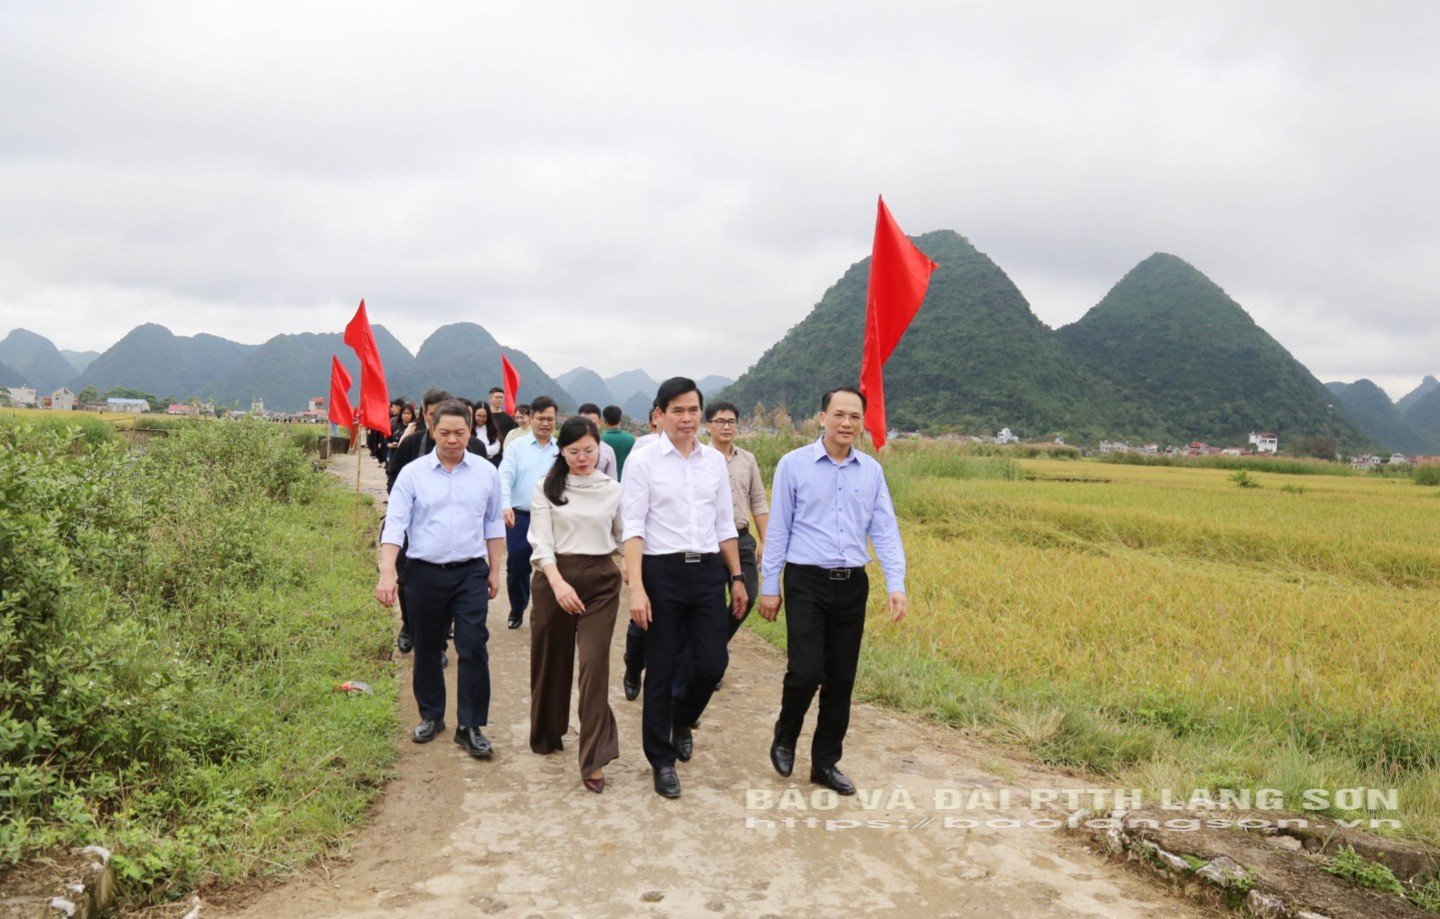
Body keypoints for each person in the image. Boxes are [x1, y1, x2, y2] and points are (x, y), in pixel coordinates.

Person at [758, 386, 907, 796]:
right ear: (822, 417)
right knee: (806, 672)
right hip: (806, 580)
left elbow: (885, 529)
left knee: (841, 679)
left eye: (855, 417)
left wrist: (896, 583)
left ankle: (825, 763)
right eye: (839, 414)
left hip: (851, 583)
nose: (847, 423)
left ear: (863, 422)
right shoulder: (794, 465)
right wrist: (770, 587)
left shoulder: (871, 471)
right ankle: (786, 734)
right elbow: (780, 529)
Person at [621, 377, 747, 798]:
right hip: (662, 573)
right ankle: (661, 760)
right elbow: (634, 527)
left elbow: (724, 524)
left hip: (708, 571)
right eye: (678, 410)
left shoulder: (713, 462)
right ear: (660, 414)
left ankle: (680, 719)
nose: (688, 418)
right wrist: (637, 588)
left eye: (694, 410)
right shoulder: (643, 461)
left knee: (712, 664)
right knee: (660, 669)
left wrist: (737, 576)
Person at [376, 400, 505, 759]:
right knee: (429, 647)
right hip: (424, 572)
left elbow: (493, 524)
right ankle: (432, 716)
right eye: (444, 433)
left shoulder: (485, 472)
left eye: (459, 433)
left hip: (469, 572)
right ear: (432, 430)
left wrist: (494, 570)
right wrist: (388, 572)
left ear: (470, 432)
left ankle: (471, 725)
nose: (452, 440)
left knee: (473, 645)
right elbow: (396, 525)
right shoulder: (414, 474)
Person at [527, 416, 624, 793]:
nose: (582, 458)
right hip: (554, 578)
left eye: (589, 450)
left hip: (600, 580)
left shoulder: (613, 489)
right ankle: (548, 732)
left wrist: (633, 567)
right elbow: (542, 543)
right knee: (551, 658)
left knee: (594, 663)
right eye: (573, 452)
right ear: (561, 451)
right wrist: (557, 583)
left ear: (599, 448)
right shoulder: (546, 487)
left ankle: (594, 757)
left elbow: (623, 536)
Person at [705, 401, 768, 643]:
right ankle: (712, 660)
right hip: (710, 541)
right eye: (720, 421)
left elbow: (758, 501)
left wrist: (765, 541)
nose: (726, 427)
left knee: (748, 595)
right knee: (712, 603)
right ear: (708, 425)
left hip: (742, 539)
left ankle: (715, 646)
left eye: (731, 421)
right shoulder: (700, 459)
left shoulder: (747, 460)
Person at [498, 396, 558, 629]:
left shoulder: (561, 450)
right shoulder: (516, 447)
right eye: (541, 418)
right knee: (518, 566)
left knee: (550, 564)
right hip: (520, 516)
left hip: (552, 518)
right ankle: (517, 608)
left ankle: (547, 613)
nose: (545, 423)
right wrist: (504, 504)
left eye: (550, 419)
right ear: (531, 418)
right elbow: (504, 476)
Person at [576, 403, 618, 479]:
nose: (588, 428)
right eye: (583, 423)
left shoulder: (608, 451)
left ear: (599, 422)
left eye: (592, 424)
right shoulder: (568, 449)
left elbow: (612, 480)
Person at [600, 404, 635, 480]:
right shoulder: (630, 439)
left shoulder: (600, 440)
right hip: (625, 482)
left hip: (605, 483)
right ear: (620, 420)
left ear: (605, 422)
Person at [473, 400, 502, 466]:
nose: (481, 419)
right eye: (478, 416)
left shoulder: (492, 429)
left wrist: (480, 451)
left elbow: (496, 448)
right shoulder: (468, 428)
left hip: (488, 463)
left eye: (484, 416)